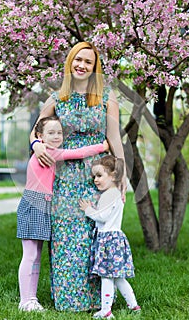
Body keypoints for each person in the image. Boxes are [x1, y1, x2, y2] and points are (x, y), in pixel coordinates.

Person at [29, 41, 127, 311]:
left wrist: (122, 175)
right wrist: (36, 145)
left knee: (95, 234)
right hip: (63, 176)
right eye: (77, 60)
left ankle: (98, 299)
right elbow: (36, 131)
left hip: (98, 174)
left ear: (95, 67)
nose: (82, 65)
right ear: (70, 62)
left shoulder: (107, 97)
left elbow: (114, 138)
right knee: (66, 235)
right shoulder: (57, 97)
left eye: (88, 61)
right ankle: (69, 300)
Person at [17, 115, 108, 312]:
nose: (57, 136)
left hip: (42, 205)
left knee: (36, 255)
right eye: (51, 133)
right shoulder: (49, 153)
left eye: (59, 132)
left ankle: (31, 299)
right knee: (30, 255)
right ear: (40, 136)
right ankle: (25, 300)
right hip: (35, 204)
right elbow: (78, 152)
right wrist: (102, 147)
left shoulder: (48, 150)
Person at [80, 155, 141, 319]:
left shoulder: (109, 194)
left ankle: (106, 310)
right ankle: (133, 305)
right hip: (115, 238)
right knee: (118, 277)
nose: (95, 180)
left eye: (99, 175)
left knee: (106, 276)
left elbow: (103, 216)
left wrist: (88, 210)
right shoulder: (115, 193)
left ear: (113, 175)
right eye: (94, 176)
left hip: (108, 240)